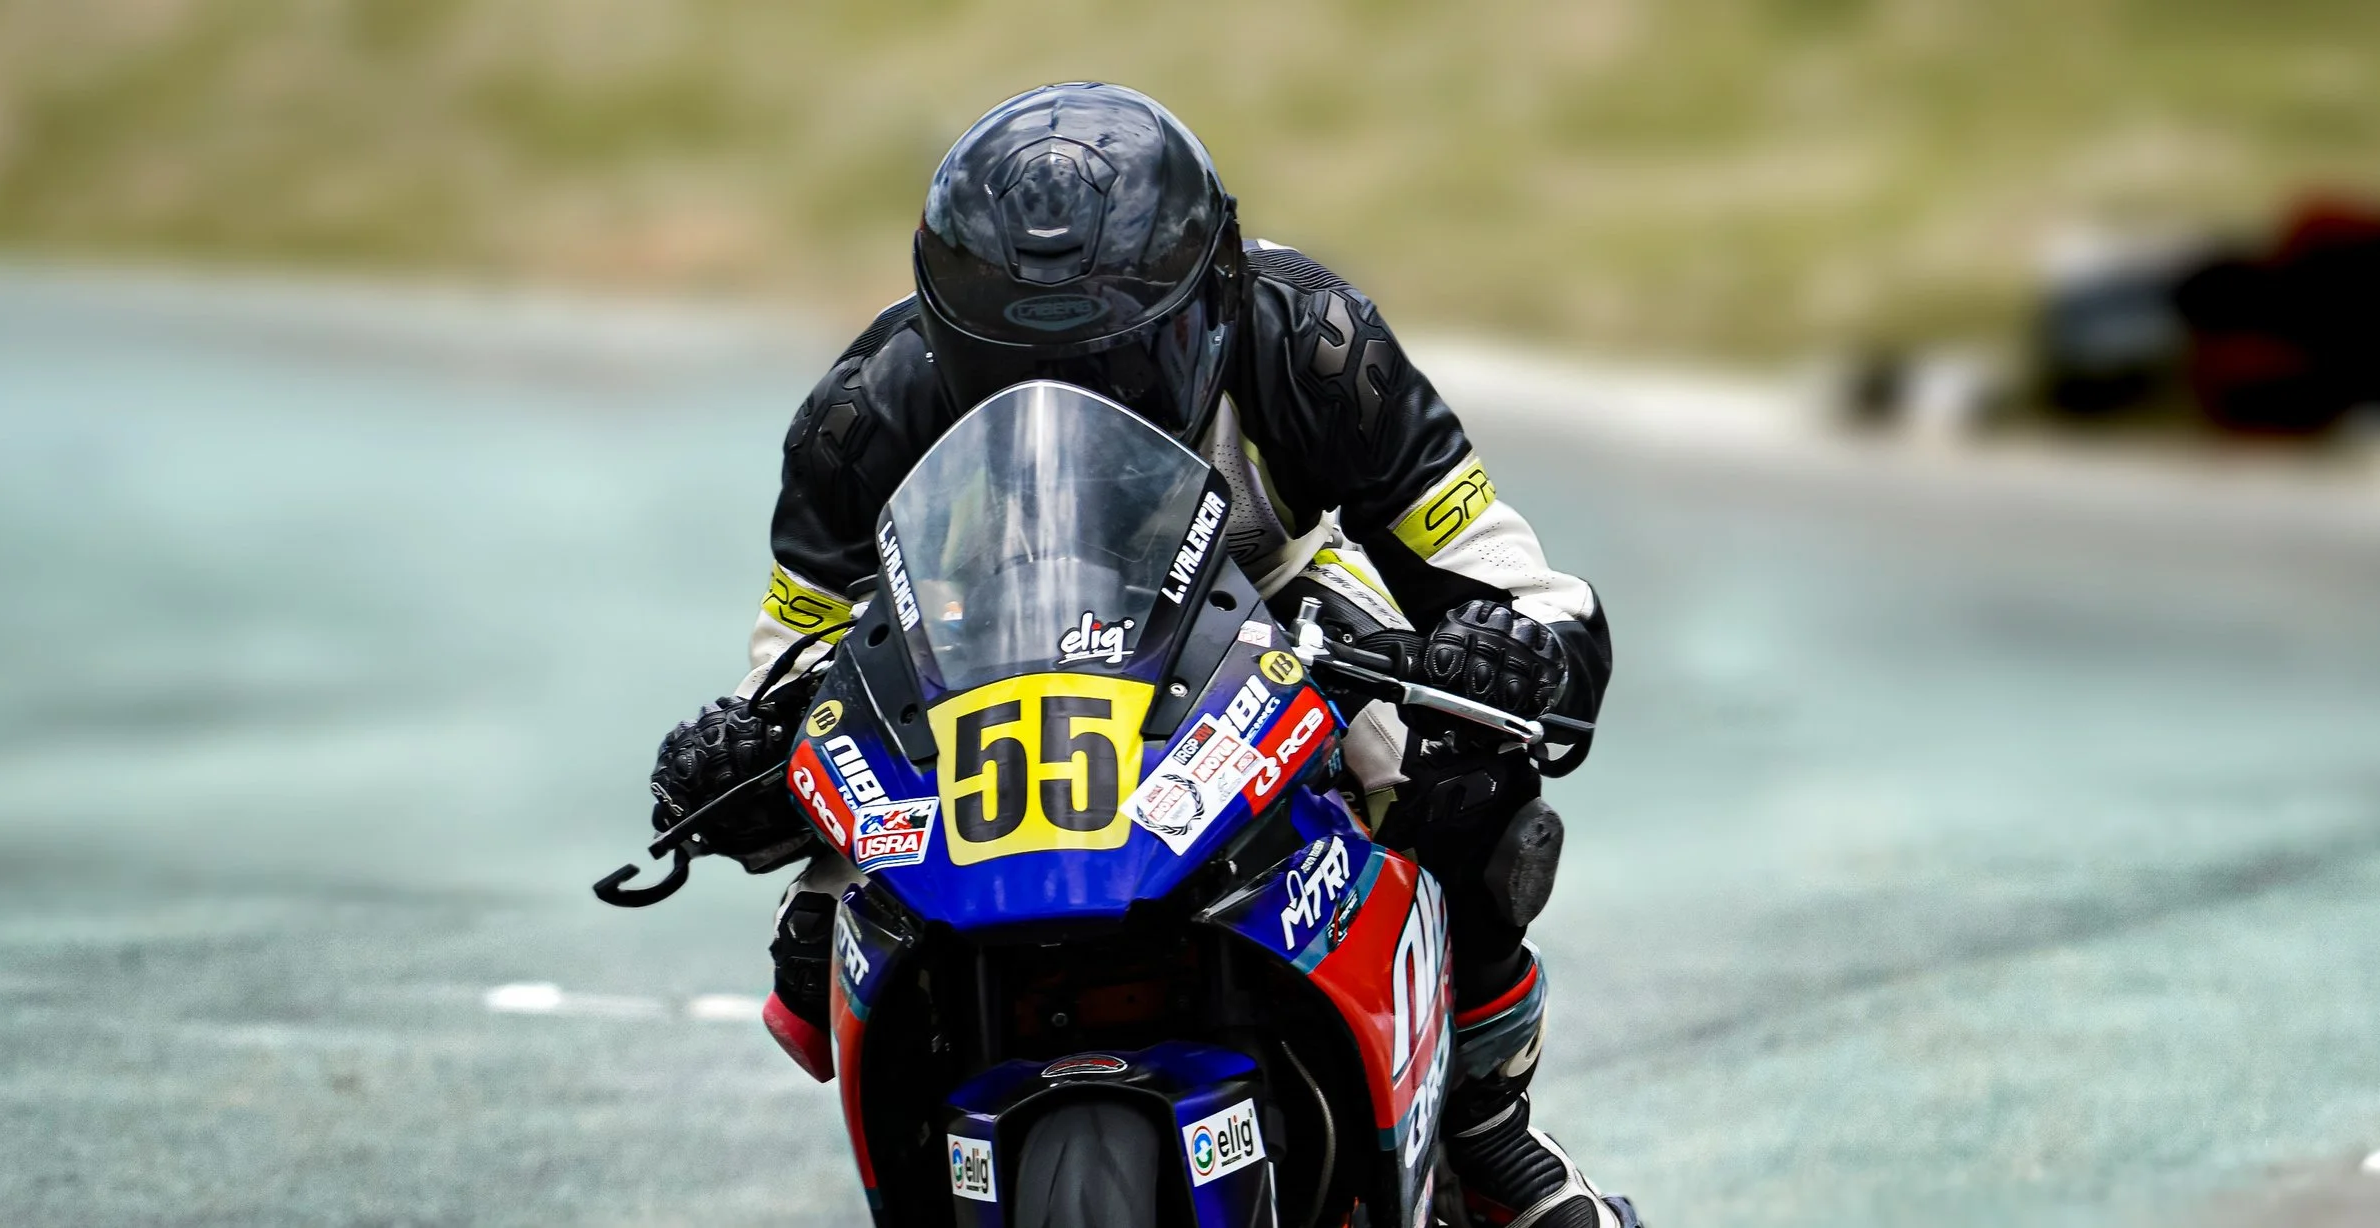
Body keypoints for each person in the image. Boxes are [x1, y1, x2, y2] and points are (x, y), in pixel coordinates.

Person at [645, 82, 1638, 1228]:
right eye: (1014, 367)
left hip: (1270, 621)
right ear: (948, 342)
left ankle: (1484, 1128)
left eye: (1120, 357)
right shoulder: (865, 415)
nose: (1075, 399)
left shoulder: (1312, 345)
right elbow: (799, 653)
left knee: (1461, 767)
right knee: (816, 932)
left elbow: (1497, 564)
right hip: (977, 667)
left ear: (1211, 301)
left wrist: (1514, 651)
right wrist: (737, 751)